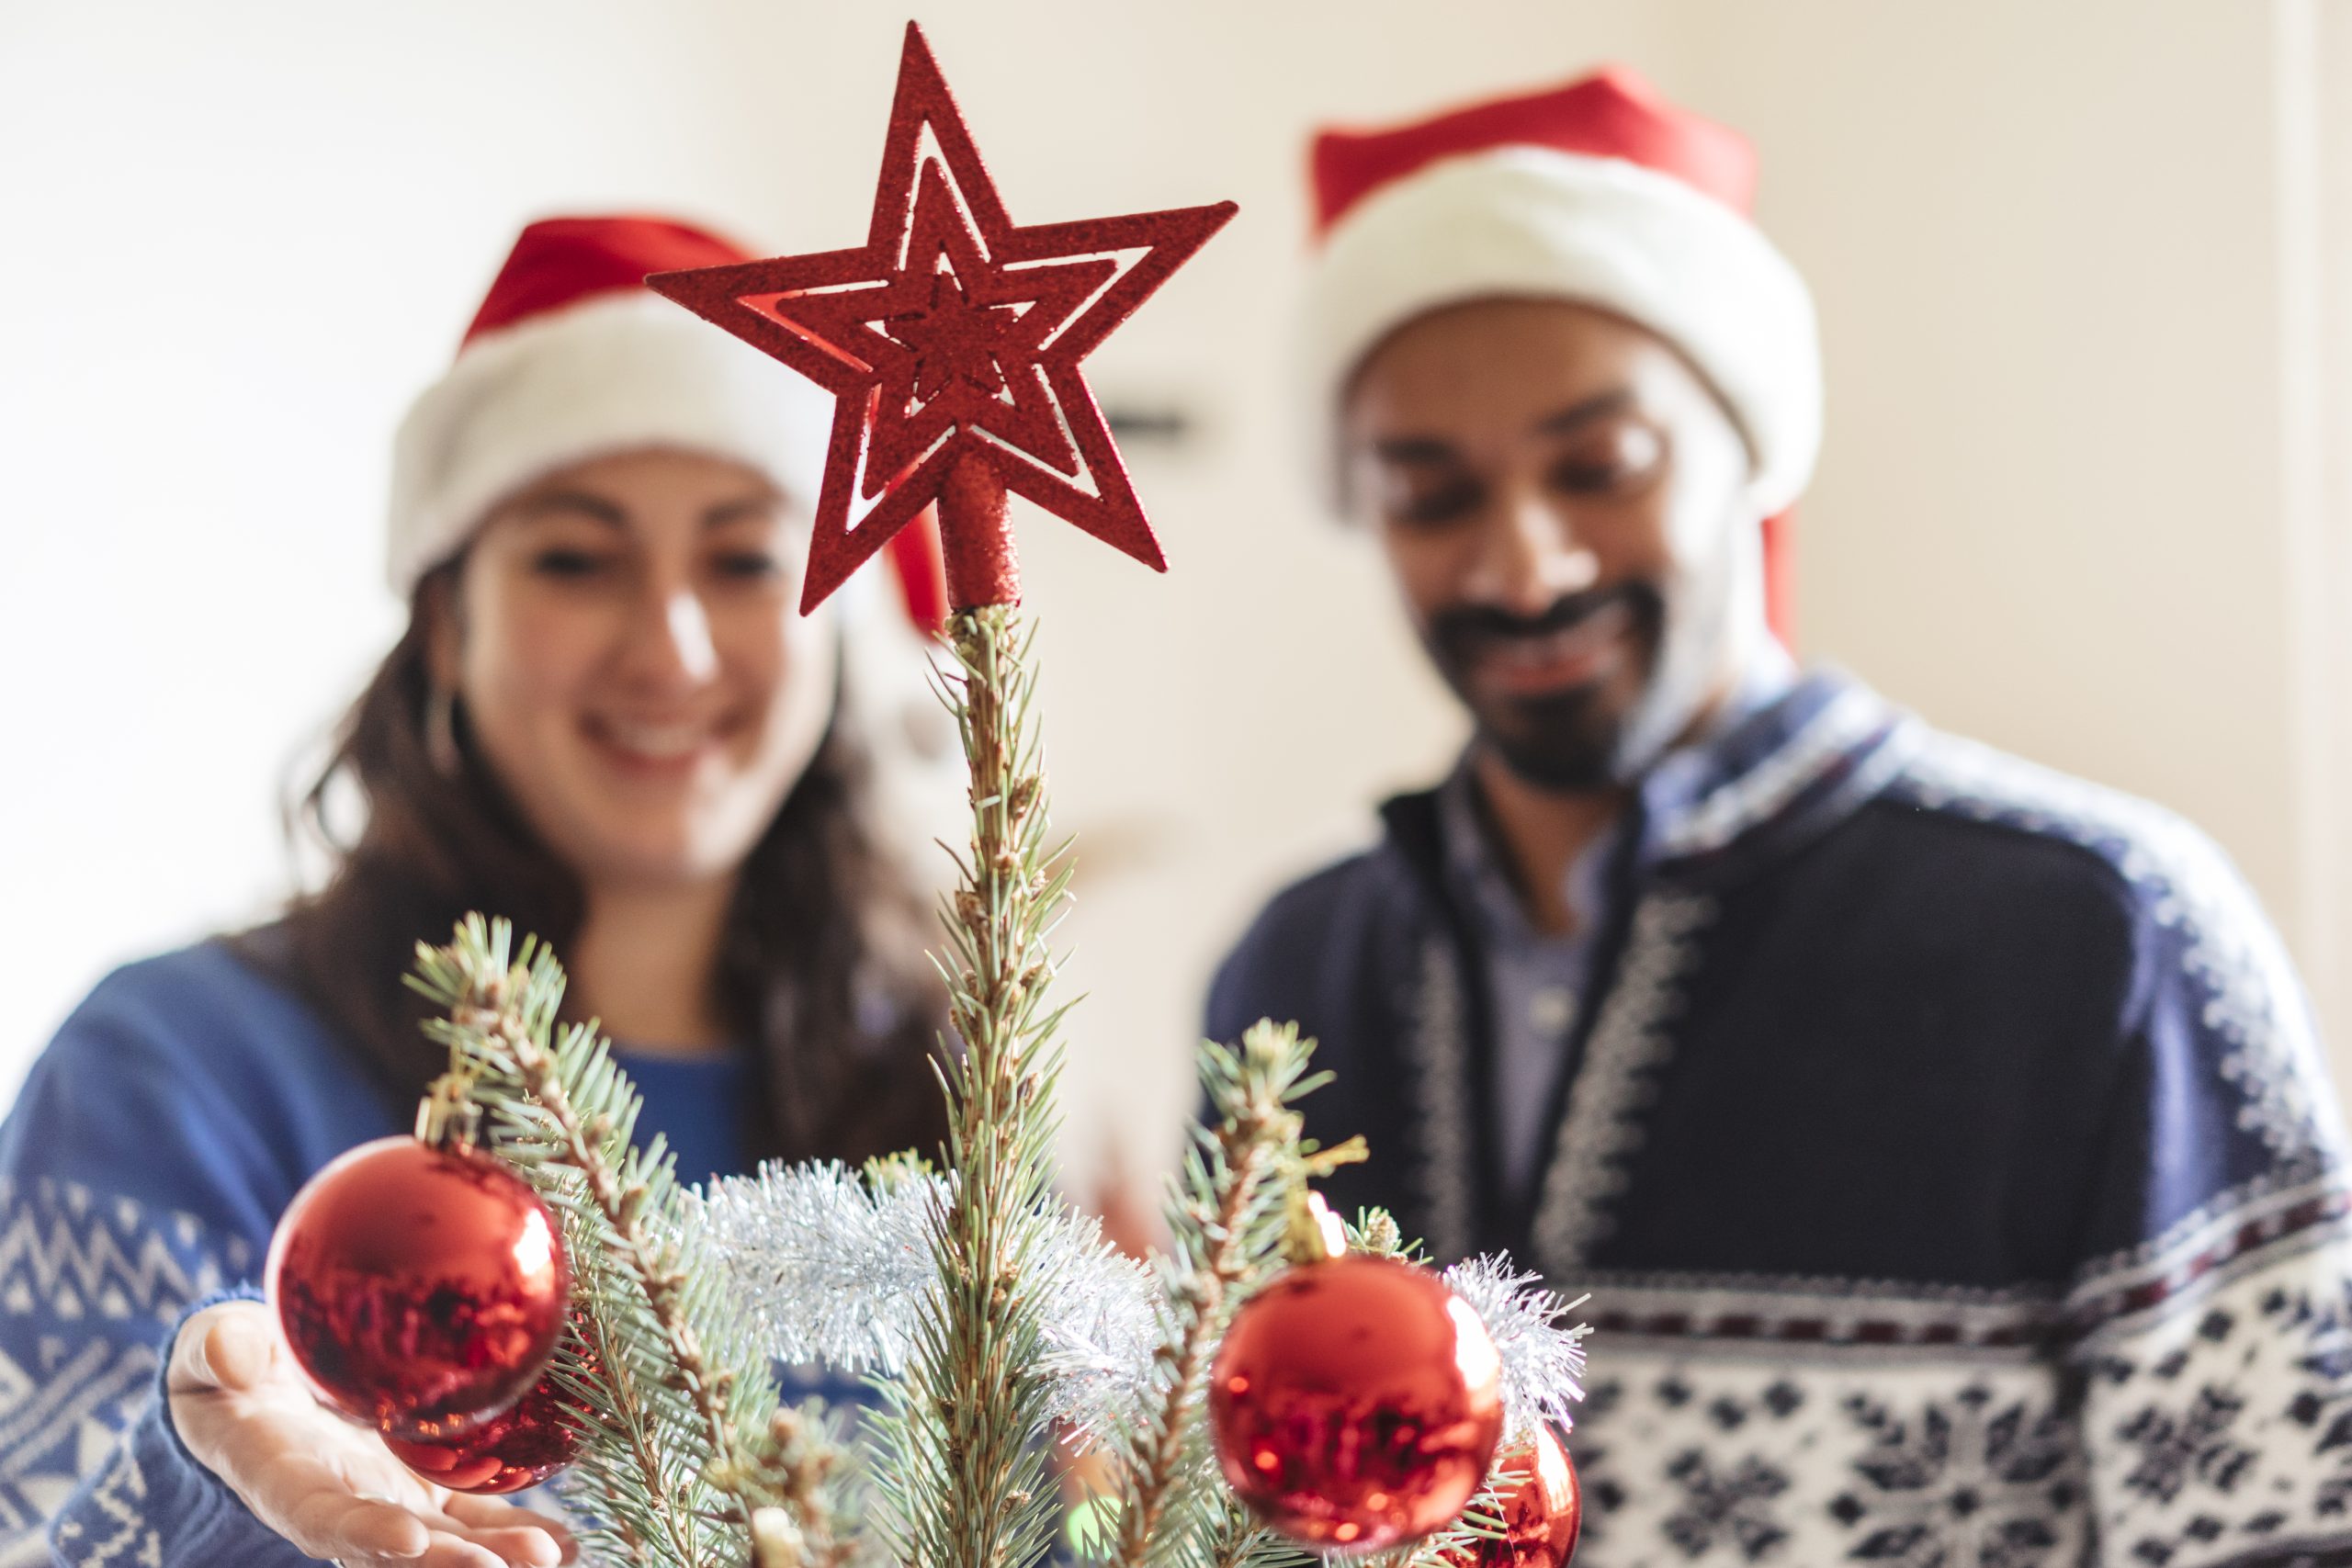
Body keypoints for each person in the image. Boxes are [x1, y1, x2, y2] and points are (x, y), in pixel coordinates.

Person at [1208, 68, 2352, 1565]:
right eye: (1433, 495)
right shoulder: (1294, 977)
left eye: (1600, 468)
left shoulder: (2098, 927)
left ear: (1751, 445)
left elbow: (2290, 1527)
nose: (1525, 563)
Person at [0, 215, 963, 1568]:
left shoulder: (942, 1100)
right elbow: (48, 1519)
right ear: (449, 620)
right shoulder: (171, 1071)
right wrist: (224, 1488)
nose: (673, 651)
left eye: (745, 560)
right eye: (577, 558)